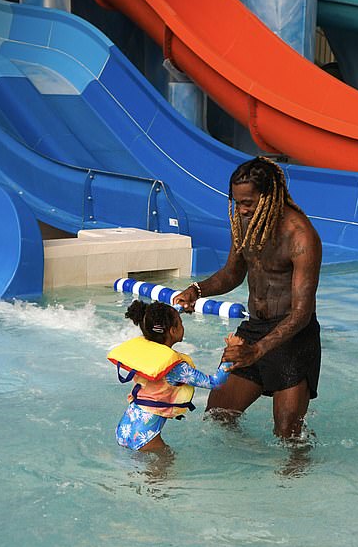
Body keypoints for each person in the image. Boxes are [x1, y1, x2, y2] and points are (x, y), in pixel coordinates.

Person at [174, 156, 322, 441]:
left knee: (288, 435)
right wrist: (197, 290)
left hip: (293, 338)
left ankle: (297, 483)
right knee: (218, 418)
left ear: (270, 198)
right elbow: (232, 273)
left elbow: (302, 312)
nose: (241, 210)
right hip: (253, 330)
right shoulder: (244, 223)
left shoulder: (301, 236)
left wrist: (258, 350)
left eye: (248, 203)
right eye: (237, 202)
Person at [108, 299, 235, 453]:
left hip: (126, 427)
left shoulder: (148, 349)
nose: (183, 326)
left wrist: (181, 307)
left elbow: (157, 320)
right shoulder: (176, 368)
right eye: (180, 323)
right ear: (173, 331)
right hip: (146, 437)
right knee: (166, 474)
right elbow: (215, 382)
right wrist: (231, 354)